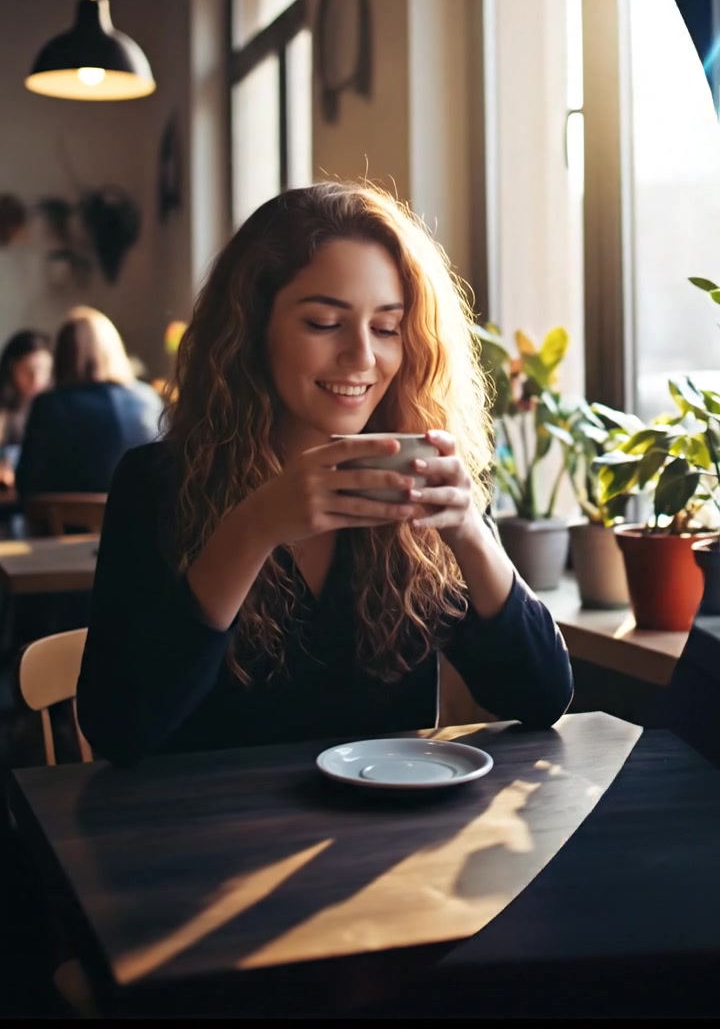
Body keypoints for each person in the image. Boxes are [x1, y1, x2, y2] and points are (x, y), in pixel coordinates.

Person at [77, 182, 574, 766]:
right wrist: (256, 526)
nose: (362, 356)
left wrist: (468, 532)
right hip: (205, 840)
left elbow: (542, 698)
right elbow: (119, 728)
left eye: (387, 328)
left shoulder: (418, 479)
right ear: (251, 331)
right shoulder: (155, 485)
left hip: (382, 842)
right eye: (323, 323)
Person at [15, 307, 162, 499]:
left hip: (64, 527)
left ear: (62, 355)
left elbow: (25, 483)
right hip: (138, 524)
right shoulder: (149, 399)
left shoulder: (47, 406)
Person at [0, 329, 53, 486]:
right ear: (11, 369)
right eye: (28, 371)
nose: (36, 380)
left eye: (43, 371)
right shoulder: (5, 411)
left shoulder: (54, 412)